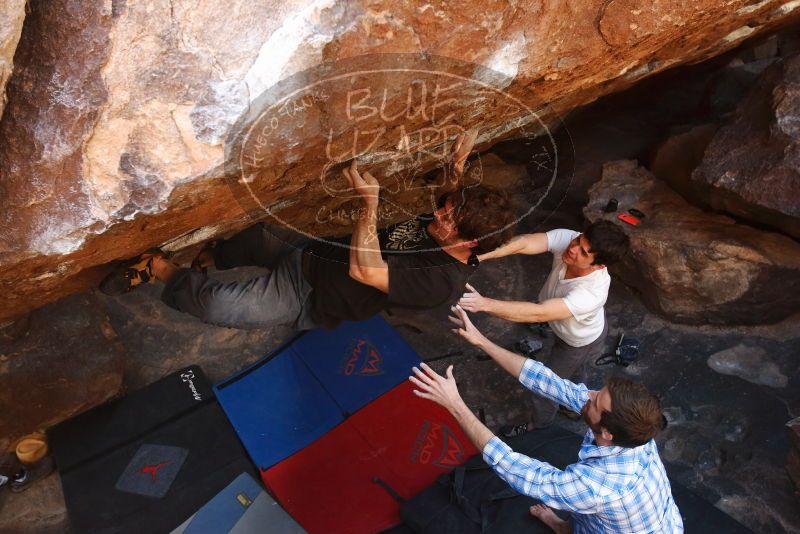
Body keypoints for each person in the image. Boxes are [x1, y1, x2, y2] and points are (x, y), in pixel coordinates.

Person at [100, 132, 517, 331]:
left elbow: (366, 272)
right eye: (444, 210)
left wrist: (369, 205)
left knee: (217, 307)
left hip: (310, 295)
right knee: (259, 236)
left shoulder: (438, 283)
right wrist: (457, 163)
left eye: (447, 219)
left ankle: (160, 270)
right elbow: (452, 196)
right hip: (315, 252)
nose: (438, 215)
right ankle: (217, 257)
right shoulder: (457, 223)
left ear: (469, 242)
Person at [409, 306, 682, 534]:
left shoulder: (596, 487)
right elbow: (549, 383)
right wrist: (482, 340)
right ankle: (564, 527)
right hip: (656, 521)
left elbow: (513, 466)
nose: (588, 393)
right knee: (587, 515)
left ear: (608, 433)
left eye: (596, 400)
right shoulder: (635, 429)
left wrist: (454, 403)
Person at [458, 220, 630, 433]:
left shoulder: (591, 293)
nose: (573, 248)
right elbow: (525, 243)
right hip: (564, 327)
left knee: (544, 388)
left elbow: (538, 312)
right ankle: (575, 405)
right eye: (578, 240)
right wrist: (481, 255)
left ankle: (539, 425)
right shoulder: (571, 240)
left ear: (599, 265)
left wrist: (484, 304)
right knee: (576, 371)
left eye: (584, 252)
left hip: (576, 343)